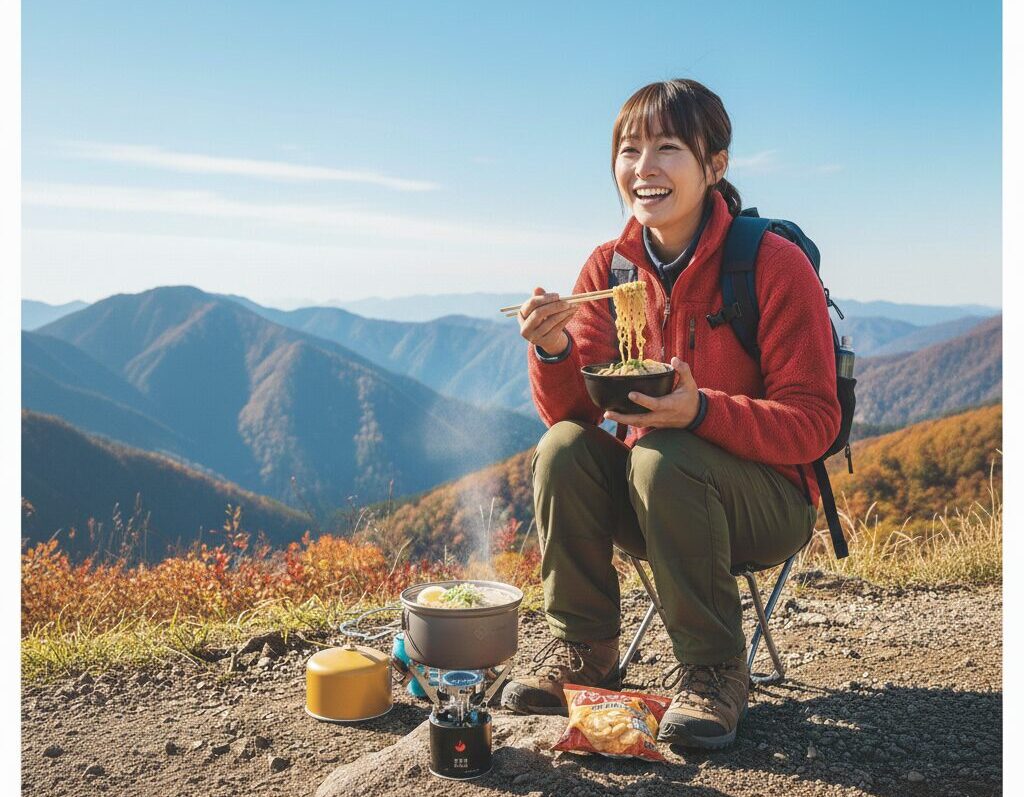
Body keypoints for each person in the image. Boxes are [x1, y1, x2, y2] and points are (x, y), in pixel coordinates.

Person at [501, 78, 841, 750]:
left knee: (666, 452)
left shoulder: (770, 264)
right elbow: (576, 414)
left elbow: (815, 423)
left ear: (714, 165)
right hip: (657, 498)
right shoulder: (614, 268)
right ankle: (583, 649)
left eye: (666, 148)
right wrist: (554, 347)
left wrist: (701, 410)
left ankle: (716, 671)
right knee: (563, 449)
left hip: (766, 499)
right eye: (629, 150)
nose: (643, 167)